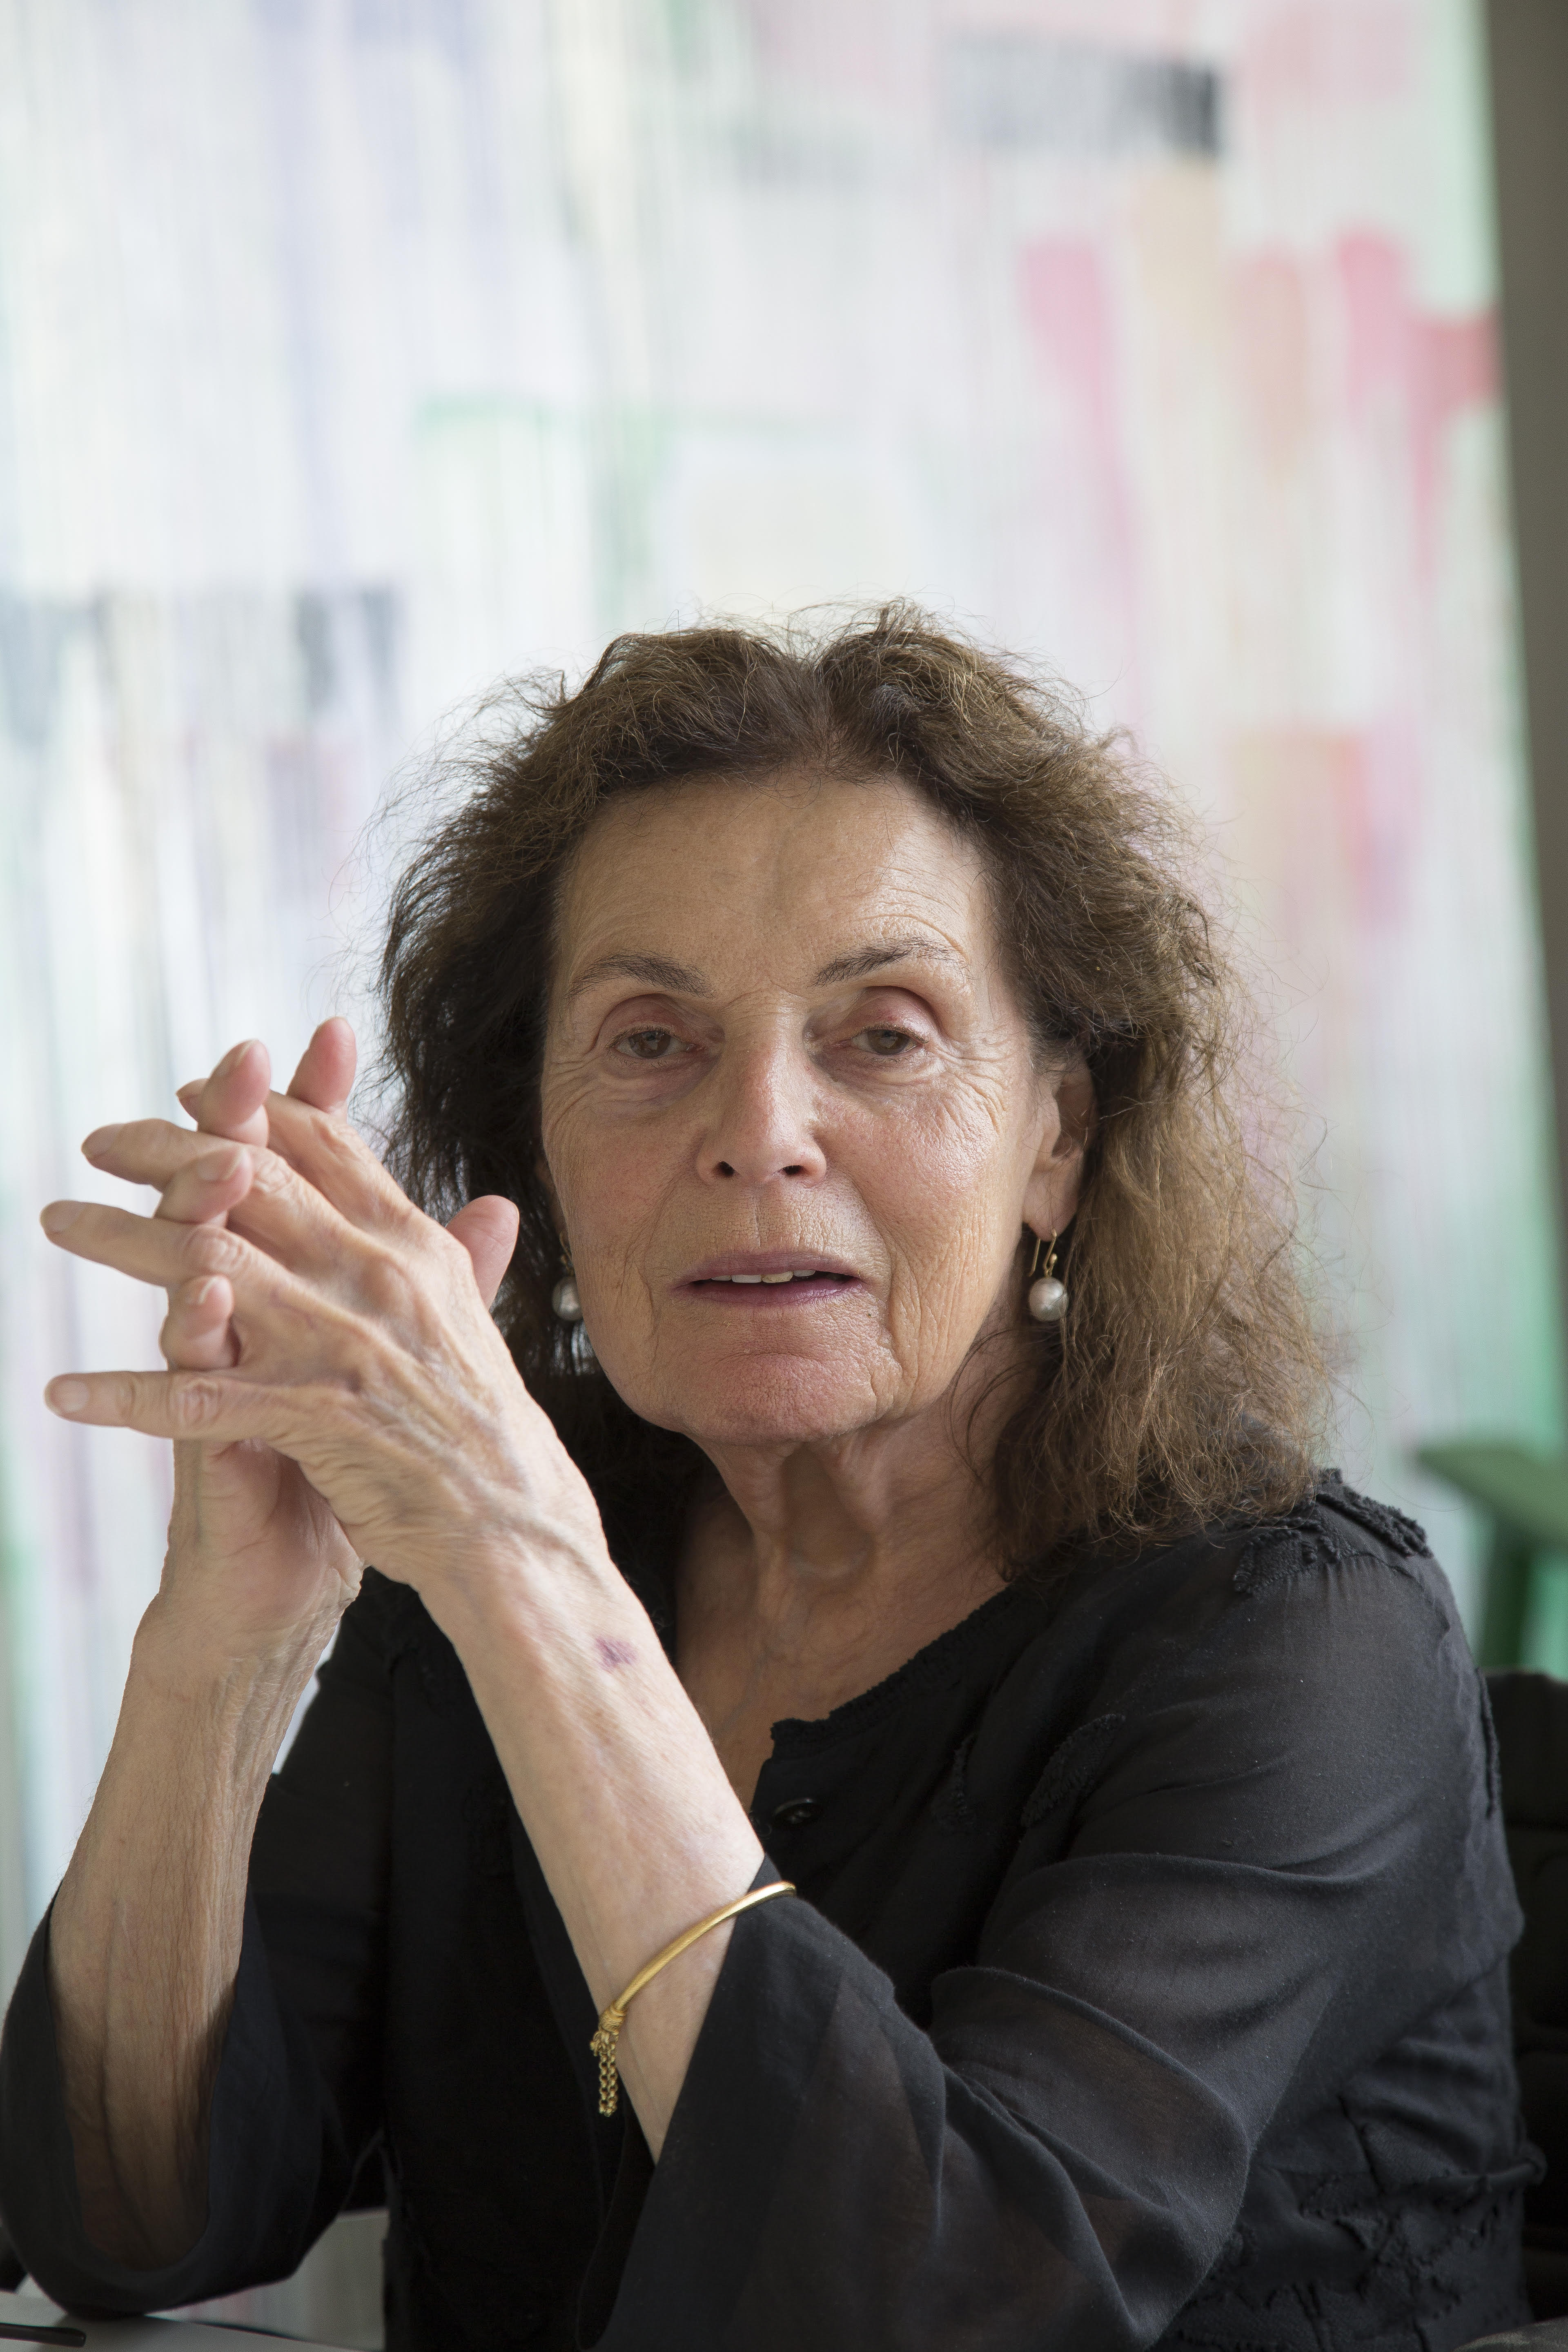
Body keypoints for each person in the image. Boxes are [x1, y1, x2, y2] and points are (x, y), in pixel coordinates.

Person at [0, 610, 1534, 2352]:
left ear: (1060, 1138)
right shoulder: (501, 1546)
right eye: (649, 1040)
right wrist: (228, 1643)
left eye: (883, 1035)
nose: (759, 1129)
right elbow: (121, 2222)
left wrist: (516, 1554)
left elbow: (935, 2307)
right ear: (540, 1150)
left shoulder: (1306, 1637)